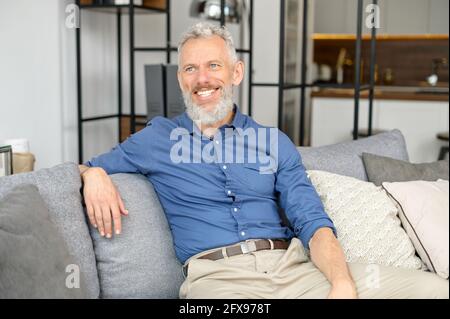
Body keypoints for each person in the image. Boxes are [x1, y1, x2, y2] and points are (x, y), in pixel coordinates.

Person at [79, 22, 448, 299]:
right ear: (180, 79)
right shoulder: (156, 138)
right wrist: (93, 172)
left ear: (236, 73)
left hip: (295, 270)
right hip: (218, 282)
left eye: (213, 66)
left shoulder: (273, 142)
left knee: (431, 289)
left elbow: (313, 222)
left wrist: (340, 283)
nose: (202, 78)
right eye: (191, 69)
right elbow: (79, 168)